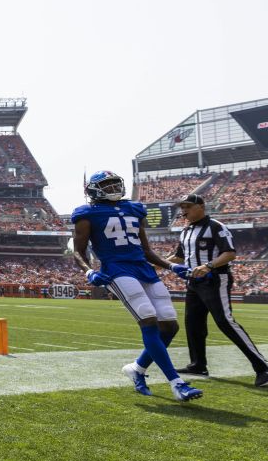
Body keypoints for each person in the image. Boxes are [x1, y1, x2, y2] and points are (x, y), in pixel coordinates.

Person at [70, 171, 202, 401]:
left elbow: (147, 250)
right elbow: (78, 251)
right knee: (149, 320)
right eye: (106, 185)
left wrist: (171, 267)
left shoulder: (135, 208)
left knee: (170, 326)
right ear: (93, 189)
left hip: (143, 268)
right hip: (117, 269)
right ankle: (177, 383)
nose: (112, 188)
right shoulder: (86, 213)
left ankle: (137, 369)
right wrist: (90, 271)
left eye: (114, 184)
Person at [169, 195, 268, 387]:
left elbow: (230, 253)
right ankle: (198, 364)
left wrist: (208, 266)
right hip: (193, 283)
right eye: (181, 207)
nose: (183, 210)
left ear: (201, 207)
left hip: (215, 279)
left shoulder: (216, 227)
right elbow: (178, 257)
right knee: (193, 323)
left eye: (187, 206)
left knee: (224, 321)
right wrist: (155, 264)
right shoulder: (185, 231)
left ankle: (264, 367)